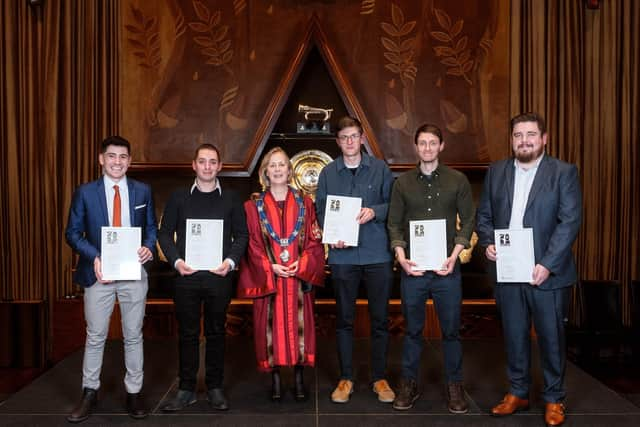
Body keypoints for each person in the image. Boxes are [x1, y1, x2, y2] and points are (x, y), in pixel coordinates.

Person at [476, 112, 582, 426]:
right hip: (508, 271)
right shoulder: (497, 171)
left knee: (551, 337)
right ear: (512, 140)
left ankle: (554, 398)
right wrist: (486, 244)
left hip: (546, 273)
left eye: (531, 134)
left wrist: (548, 264)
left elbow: (570, 221)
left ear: (544, 138)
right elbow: (485, 216)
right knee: (514, 335)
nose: (524, 140)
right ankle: (519, 392)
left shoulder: (563, 172)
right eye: (518, 135)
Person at [65, 136, 157, 422]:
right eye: (112, 156)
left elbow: (151, 228)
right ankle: (89, 392)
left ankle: (134, 392)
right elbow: (72, 233)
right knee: (95, 336)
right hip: (99, 274)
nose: (117, 162)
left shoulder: (142, 191)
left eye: (123, 157)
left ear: (129, 160)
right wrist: (95, 256)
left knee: (133, 335)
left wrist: (148, 247)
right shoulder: (85, 192)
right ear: (101, 159)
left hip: (133, 273)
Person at [387, 124, 475, 412]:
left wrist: (455, 255)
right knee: (412, 331)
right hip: (413, 269)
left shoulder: (457, 180)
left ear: (441, 146)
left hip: (446, 270)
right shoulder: (402, 183)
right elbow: (394, 224)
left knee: (450, 331)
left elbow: (469, 220)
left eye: (432, 142)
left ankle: (454, 386)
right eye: (422, 143)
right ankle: (408, 384)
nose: (427, 148)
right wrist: (400, 257)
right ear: (416, 147)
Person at [158, 143, 248, 412]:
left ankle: (215, 387)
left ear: (219, 166)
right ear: (194, 165)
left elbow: (242, 235)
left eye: (212, 162)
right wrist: (176, 261)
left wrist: (230, 262)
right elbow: (164, 233)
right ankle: (186, 389)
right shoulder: (178, 197)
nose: (207, 166)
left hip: (219, 276)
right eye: (202, 161)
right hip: (186, 275)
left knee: (217, 331)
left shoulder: (232, 198)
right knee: (186, 334)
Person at [315, 116, 395, 404]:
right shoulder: (327, 173)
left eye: (354, 136)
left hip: (377, 254)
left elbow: (393, 205)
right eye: (344, 137)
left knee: (380, 320)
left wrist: (375, 211)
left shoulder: (380, 169)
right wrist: (329, 232)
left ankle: (379, 378)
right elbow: (321, 211)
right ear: (337, 142)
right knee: (345, 319)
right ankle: (346, 377)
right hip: (343, 255)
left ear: (362, 138)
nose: (349, 142)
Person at [237, 147, 325, 401]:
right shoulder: (252, 207)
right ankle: (275, 379)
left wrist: (303, 262)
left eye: (282, 165)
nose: (277, 169)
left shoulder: (305, 204)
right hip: (270, 279)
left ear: (289, 170)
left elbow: (314, 239)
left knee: (300, 327)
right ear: (265, 171)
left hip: (298, 279)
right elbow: (251, 244)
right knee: (269, 329)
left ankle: (299, 378)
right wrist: (269, 266)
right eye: (272, 165)